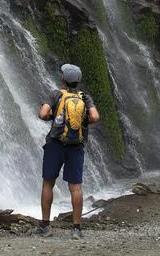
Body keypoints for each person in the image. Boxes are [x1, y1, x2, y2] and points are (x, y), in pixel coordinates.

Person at [36, 63, 100, 239]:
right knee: (76, 187)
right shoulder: (85, 98)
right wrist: (83, 120)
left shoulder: (55, 94)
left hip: (55, 144)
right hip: (76, 146)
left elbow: (42, 114)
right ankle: (77, 229)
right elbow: (95, 117)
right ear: (77, 81)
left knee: (48, 183)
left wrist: (52, 116)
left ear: (63, 79)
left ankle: (45, 226)